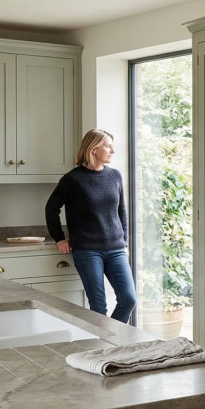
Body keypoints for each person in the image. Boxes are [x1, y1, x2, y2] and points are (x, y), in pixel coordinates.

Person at [45, 129, 137, 322]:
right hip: (87, 251)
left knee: (128, 299)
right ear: (93, 149)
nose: (112, 150)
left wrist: (125, 242)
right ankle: (104, 347)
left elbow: (122, 212)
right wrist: (59, 238)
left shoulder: (115, 176)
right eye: (108, 146)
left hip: (116, 249)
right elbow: (51, 207)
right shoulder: (73, 179)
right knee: (98, 306)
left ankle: (112, 337)